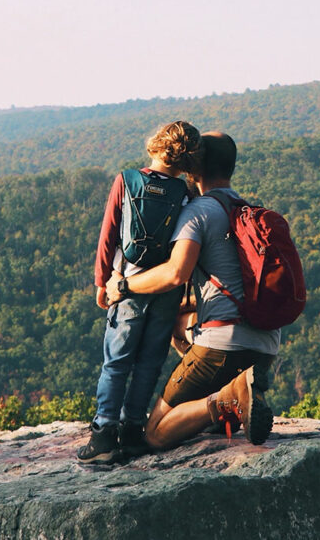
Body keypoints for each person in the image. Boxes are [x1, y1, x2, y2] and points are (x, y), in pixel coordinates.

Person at [106, 132, 277, 450]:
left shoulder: (199, 211)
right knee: (181, 321)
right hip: (266, 345)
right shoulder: (246, 210)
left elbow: (174, 274)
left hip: (224, 345)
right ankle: (228, 399)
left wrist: (123, 285)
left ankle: (227, 397)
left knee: (154, 432)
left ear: (193, 166)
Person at [76, 121, 203, 464]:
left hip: (128, 288)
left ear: (156, 146)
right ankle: (134, 431)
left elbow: (108, 235)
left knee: (116, 363)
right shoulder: (186, 193)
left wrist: (102, 281)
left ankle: (103, 435)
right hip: (165, 291)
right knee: (149, 362)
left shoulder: (127, 180)